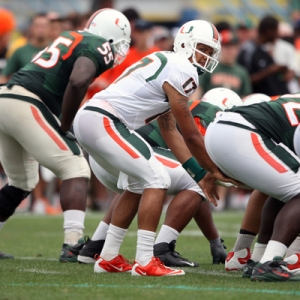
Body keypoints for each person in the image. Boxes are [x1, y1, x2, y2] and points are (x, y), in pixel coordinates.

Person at [73, 20, 238, 276]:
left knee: (138, 183)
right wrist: (212, 170)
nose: (207, 57)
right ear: (185, 43)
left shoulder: (168, 63)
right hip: (104, 120)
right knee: (157, 178)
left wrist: (198, 174)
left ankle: (108, 257)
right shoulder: (183, 68)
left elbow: (170, 131)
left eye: (211, 52)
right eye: (203, 48)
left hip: (94, 118)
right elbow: (192, 135)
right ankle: (145, 259)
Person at [0, 8, 131, 262]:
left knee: (21, 181)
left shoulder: (73, 37)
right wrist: (66, 124)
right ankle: (72, 245)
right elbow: (78, 80)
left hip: (6, 97)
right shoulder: (98, 44)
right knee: (76, 168)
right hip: (25, 102)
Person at [77, 88, 243, 267]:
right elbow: (200, 179)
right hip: (130, 151)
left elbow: (198, 198)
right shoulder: (211, 114)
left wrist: (214, 240)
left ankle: (95, 246)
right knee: (197, 178)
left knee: (138, 182)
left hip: (106, 157)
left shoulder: (188, 105)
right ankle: (162, 248)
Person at [205, 92, 300, 281]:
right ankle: (269, 263)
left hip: (224, 130)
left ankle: (258, 258)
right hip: (241, 132)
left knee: (286, 189)